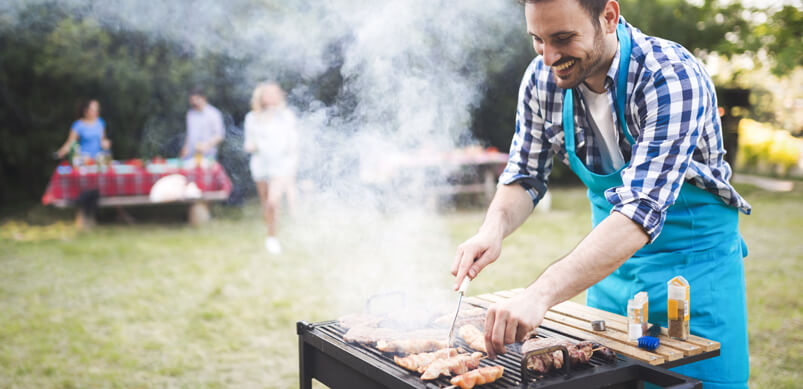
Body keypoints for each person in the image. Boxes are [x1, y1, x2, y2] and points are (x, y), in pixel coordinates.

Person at [451, 1, 750, 388]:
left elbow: (640, 210)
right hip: (608, 274)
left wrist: (539, 294)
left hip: (692, 280)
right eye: (537, 40)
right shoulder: (542, 80)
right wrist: (491, 230)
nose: (549, 57)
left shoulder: (671, 76)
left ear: (608, 17)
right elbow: (525, 174)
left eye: (562, 38)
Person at [243, 82, 299, 254]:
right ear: (261, 97)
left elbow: (294, 142)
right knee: (266, 203)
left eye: (275, 93)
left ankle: (273, 238)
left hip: (280, 165)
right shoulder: (252, 117)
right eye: (268, 93)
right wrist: (253, 146)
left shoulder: (286, 116)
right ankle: (271, 235)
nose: (272, 96)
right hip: (260, 165)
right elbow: (248, 143)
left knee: (273, 202)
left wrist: (292, 164)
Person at [56, 99, 112, 229]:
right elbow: (70, 143)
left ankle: (91, 216)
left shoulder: (100, 123)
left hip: (98, 161)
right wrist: (60, 153)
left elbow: (103, 141)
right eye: (94, 109)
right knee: (85, 186)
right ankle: (84, 217)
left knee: (101, 184)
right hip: (83, 161)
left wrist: (106, 144)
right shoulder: (78, 125)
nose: (97, 112)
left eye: (98, 109)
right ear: (86, 111)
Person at [181, 88, 225, 160]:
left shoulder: (214, 113)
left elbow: (219, 135)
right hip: (191, 156)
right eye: (192, 100)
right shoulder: (190, 114)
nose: (194, 102)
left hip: (208, 157)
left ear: (203, 98)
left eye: (197, 99)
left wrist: (207, 145)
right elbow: (189, 134)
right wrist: (185, 147)